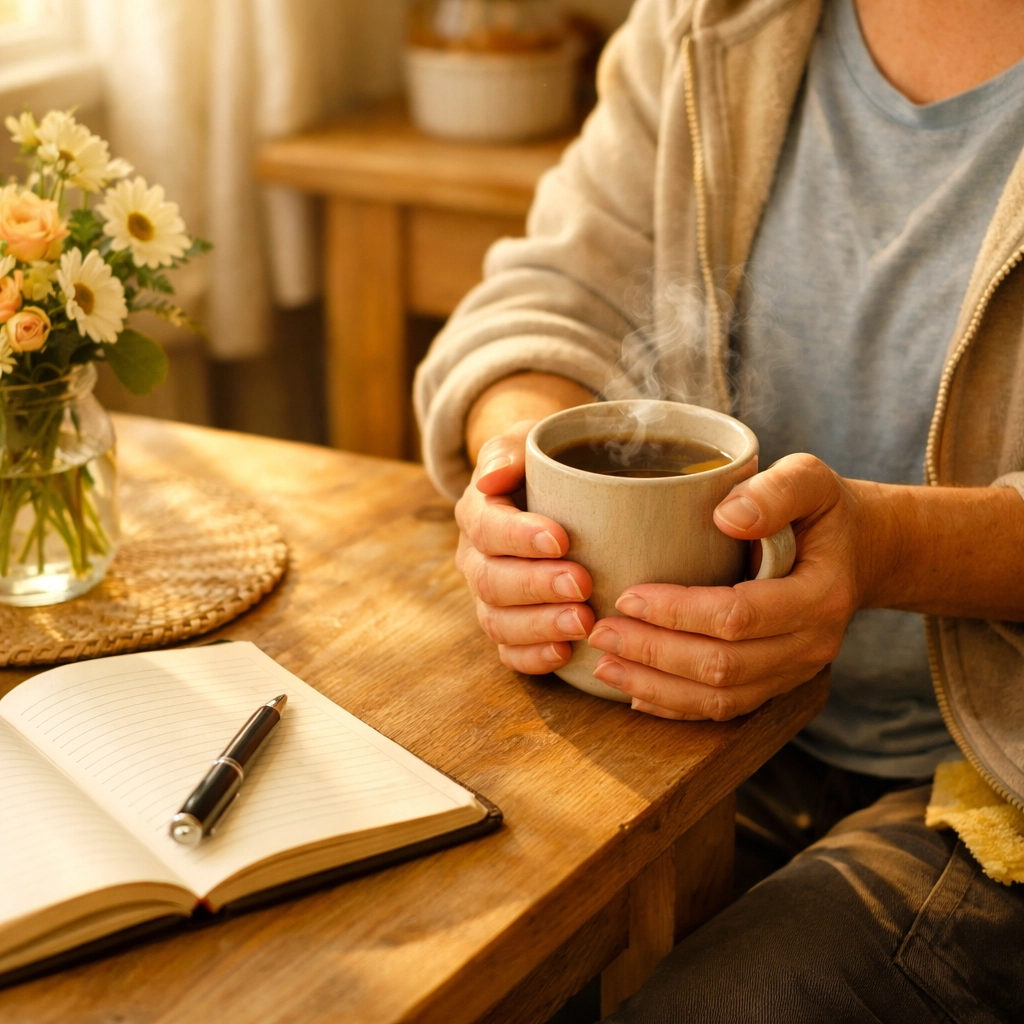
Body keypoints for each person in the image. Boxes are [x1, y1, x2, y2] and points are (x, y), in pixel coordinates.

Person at [414, 0, 1024, 1018]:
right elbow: (551, 296)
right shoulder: (710, 21)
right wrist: (514, 473)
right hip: (698, 736)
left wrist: (884, 550)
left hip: (984, 780)